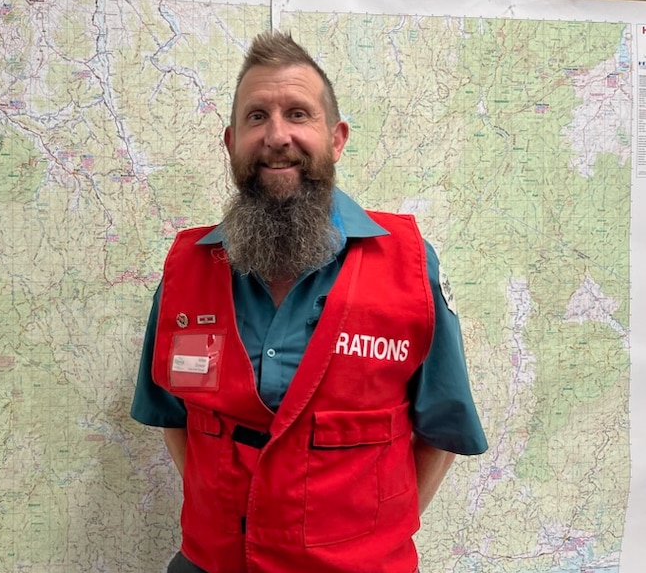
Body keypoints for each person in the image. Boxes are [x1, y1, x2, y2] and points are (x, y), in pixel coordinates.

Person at [130, 30, 488, 573]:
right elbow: (174, 418)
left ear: (336, 138)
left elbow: (441, 430)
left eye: (298, 114)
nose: (277, 136)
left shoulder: (410, 266)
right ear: (230, 142)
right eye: (256, 117)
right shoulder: (185, 270)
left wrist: (362, 540)